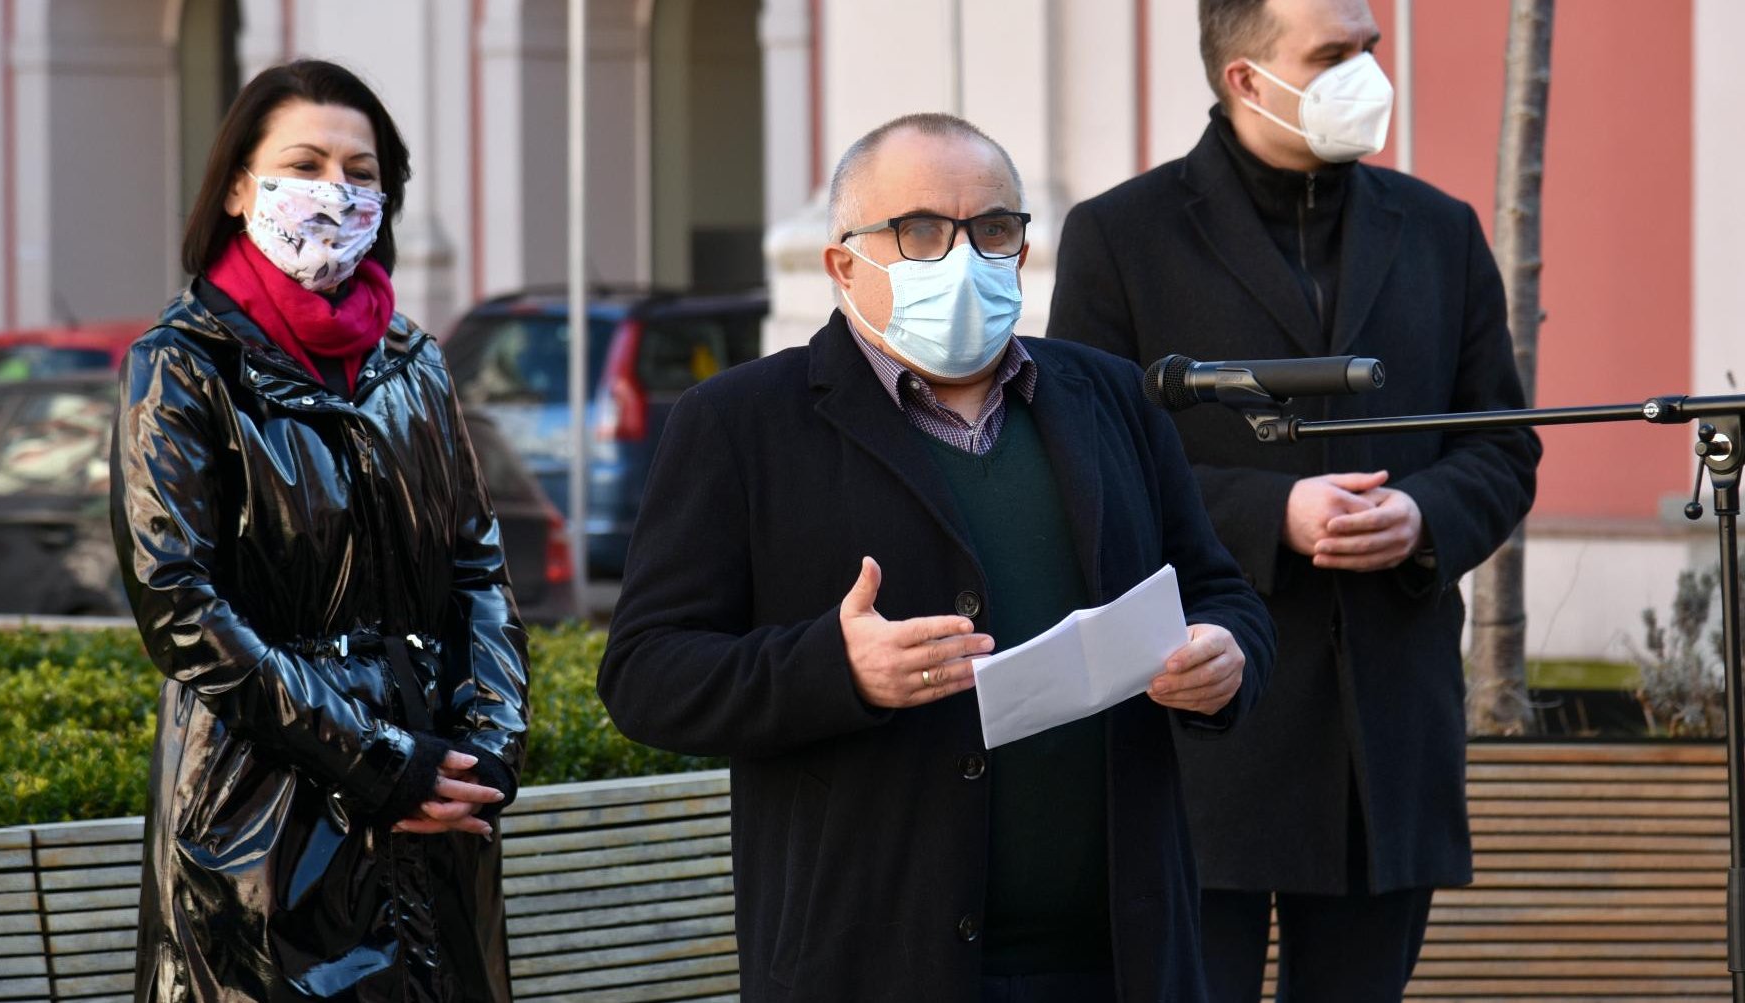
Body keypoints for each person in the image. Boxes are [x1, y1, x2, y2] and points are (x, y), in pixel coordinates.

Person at [597, 111, 1276, 1003]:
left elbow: (1222, 593)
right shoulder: (740, 424)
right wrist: (838, 668)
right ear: (845, 263)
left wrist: (1226, 657)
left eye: (993, 229)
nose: (965, 257)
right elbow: (646, 673)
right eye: (920, 231)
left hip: (1122, 955)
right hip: (875, 959)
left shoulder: (1111, 396)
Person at [1047, 0, 1543, 999]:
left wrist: (1422, 517)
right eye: (1330, 54)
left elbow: (1500, 444)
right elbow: (1081, 463)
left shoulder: (1439, 231)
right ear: (1242, 78)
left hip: (1385, 738)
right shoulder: (1119, 236)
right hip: (1200, 731)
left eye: (1366, 47)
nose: (1366, 71)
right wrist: (1270, 515)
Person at [111, 60, 528, 1003]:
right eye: (306, 162)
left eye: (362, 170)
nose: (336, 193)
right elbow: (179, 606)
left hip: (436, 811)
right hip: (259, 827)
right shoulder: (179, 368)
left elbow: (478, 567)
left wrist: (490, 743)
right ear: (235, 187)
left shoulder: (413, 363)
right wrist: (381, 763)